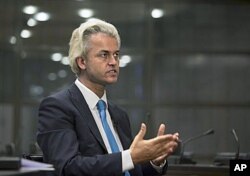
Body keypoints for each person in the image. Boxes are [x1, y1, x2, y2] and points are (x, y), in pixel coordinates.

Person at [37, 18, 179, 176]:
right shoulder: (57, 107)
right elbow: (68, 168)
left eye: (116, 54)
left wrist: (154, 161)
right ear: (82, 62)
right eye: (104, 55)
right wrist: (131, 157)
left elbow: (130, 170)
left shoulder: (119, 114)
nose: (114, 62)